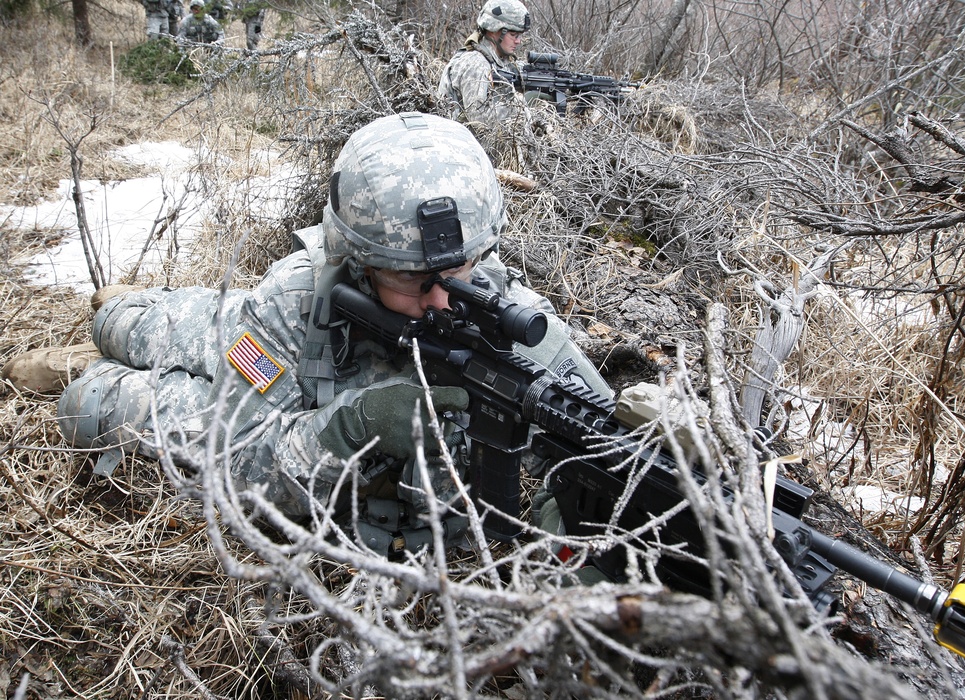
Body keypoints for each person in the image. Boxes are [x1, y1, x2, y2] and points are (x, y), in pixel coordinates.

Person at [7, 113, 612, 556]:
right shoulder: (298, 298)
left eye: (455, 275)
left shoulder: (517, 322)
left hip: (274, 362)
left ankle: (123, 329)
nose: (439, 299)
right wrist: (355, 425)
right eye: (411, 279)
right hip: (281, 350)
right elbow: (238, 458)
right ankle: (104, 342)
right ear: (356, 260)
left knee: (209, 333)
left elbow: (606, 437)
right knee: (112, 388)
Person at [437, 0, 532, 126]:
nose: (518, 41)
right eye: (513, 34)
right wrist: (525, 104)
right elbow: (479, 119)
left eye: (520, 35)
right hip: (457, 141)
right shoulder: (476, 63)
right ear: (493, 30)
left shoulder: (498, 58)